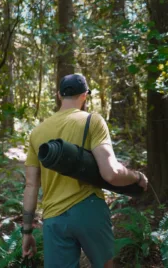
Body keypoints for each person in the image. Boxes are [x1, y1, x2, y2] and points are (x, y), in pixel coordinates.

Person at [22, 74, 148, 268]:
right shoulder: (92, 121)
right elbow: (111, 173)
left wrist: (27, 231)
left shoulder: (37, 132)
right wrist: (137, 177)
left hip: (54, 218)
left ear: (58, 95)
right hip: (89, 208)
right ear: (85, 95)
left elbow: (31, 185)